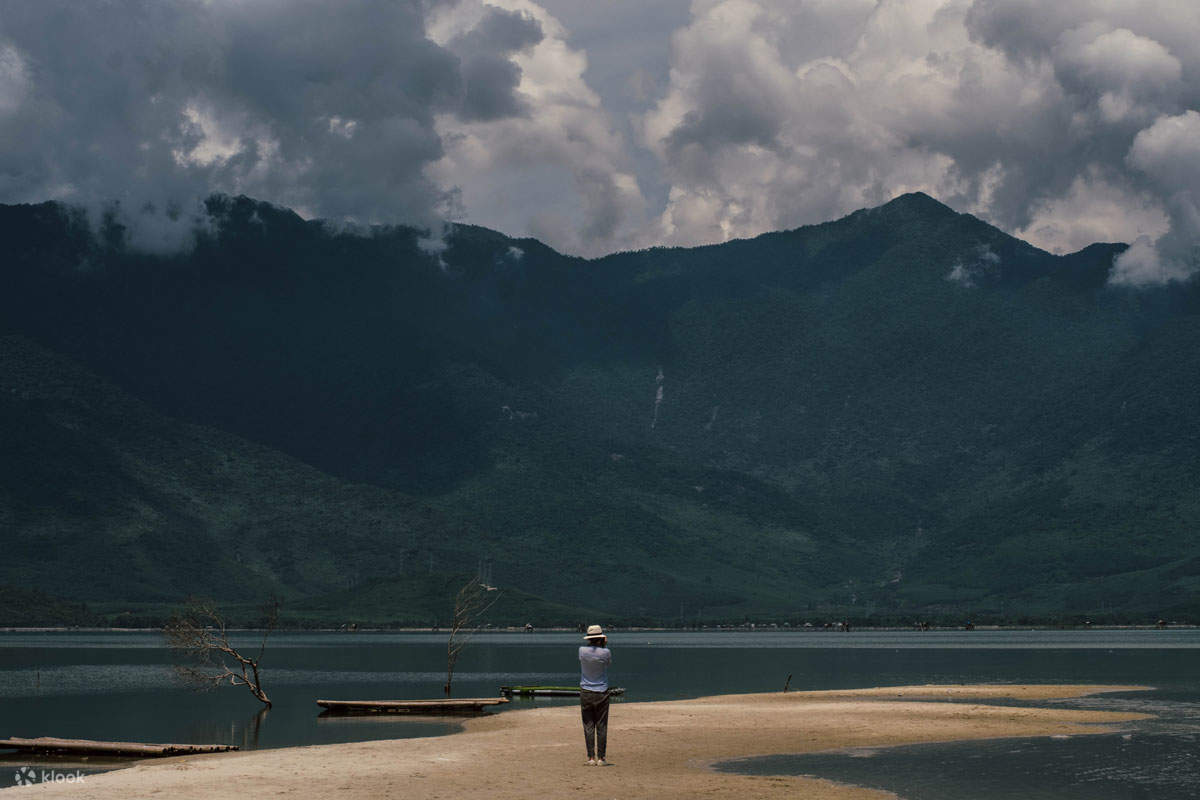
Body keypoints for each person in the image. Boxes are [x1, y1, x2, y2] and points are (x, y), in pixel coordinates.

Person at [578, 623, 612, 766]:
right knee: (602, 726)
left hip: (586, 691)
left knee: (588, 725)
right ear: (601, 638)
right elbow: (607, 664)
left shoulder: (581, 651)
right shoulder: (606, 652)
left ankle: (591, 757)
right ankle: (602, 758)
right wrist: (604, 646)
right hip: (602, 691)